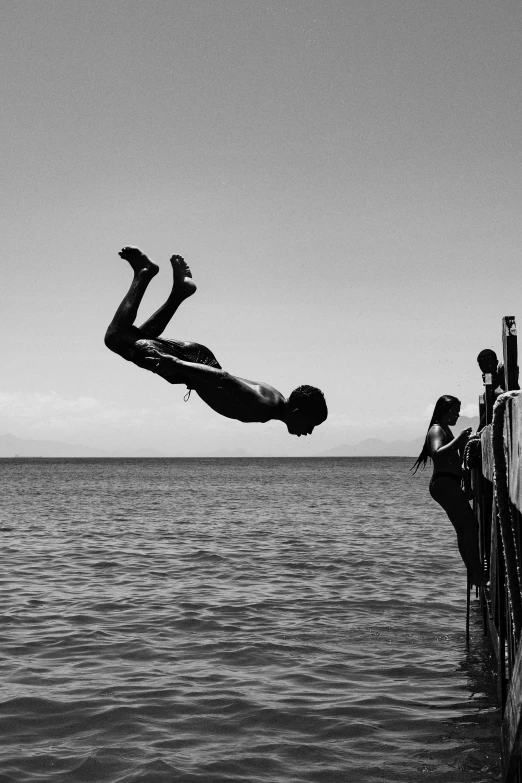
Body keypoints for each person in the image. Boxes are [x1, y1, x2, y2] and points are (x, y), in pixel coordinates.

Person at [104, 246, 328, 437]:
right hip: (191, 368)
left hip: (199, 361)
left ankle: (179, 293)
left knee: (134, 338)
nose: (309, 432)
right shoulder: (265, 409)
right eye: (311, 425)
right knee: (115, 337)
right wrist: (176, 364)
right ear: (299, 413)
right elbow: (224, 378)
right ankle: (144, 272)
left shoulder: (276, 397)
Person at [412, 395, 486, 587]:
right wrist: (459, 440)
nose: (457, 415)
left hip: (448, 483)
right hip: (444, 484)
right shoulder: (437, 429)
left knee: (464, 529)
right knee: (470, 526)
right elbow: (436, 452)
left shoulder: (446, 429)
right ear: (445, 411)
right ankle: (476, 573)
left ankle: (474, 572)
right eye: (455, 411)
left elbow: (456, 458)